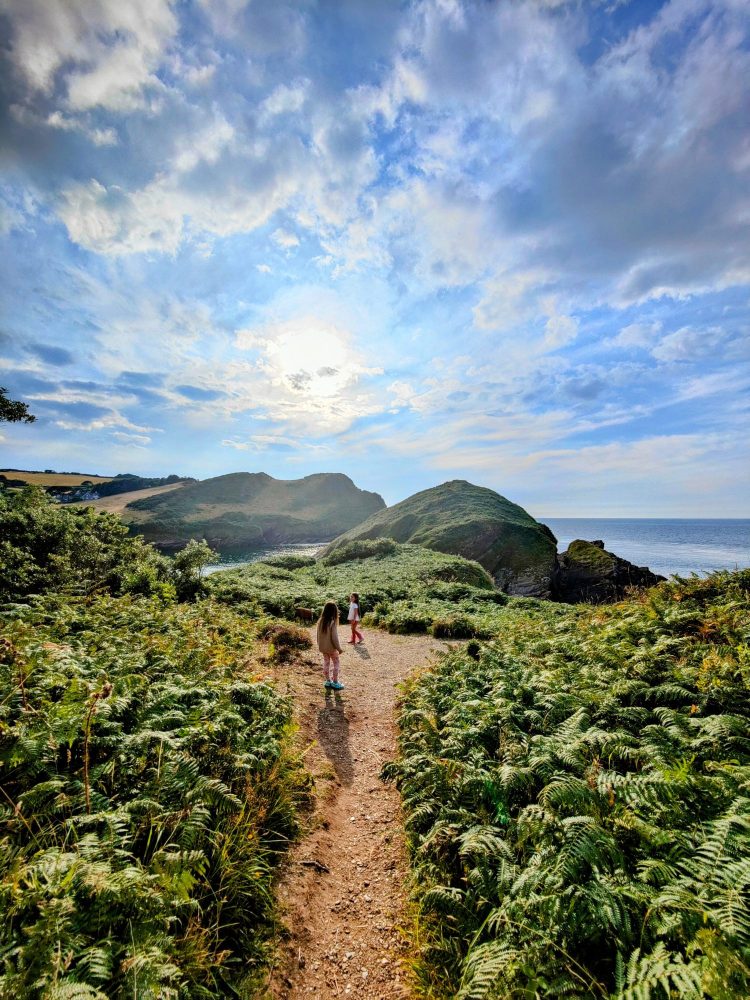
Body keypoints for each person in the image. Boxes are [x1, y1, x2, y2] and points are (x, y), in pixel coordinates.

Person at [317, 600, 344, 689]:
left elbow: (318, 635)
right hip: (332, 648)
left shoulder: (320, 621)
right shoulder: (332, 622)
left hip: (323, 648)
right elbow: (334, 638)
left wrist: (320, 645)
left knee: (326, 663)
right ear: (334, 611)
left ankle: (328, 681)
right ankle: (335, 682)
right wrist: (339, 648)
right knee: (336, 663)